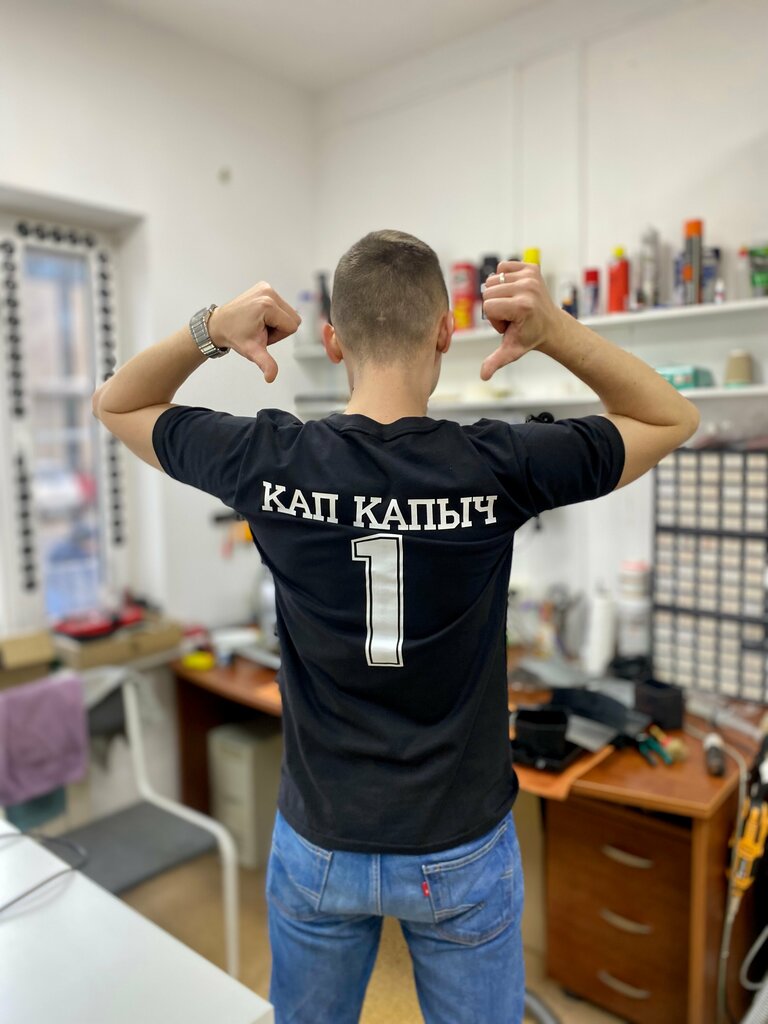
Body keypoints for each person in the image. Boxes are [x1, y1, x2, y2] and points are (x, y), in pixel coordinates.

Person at [92, 230, 700, 1023]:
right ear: (445, 331)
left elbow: (117, 403)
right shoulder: (500, 464)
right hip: (460, 844)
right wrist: (553, 330)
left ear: (333, 340)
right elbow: (671, 417)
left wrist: (210, 328)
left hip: (321, 839)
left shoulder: (268, 459)